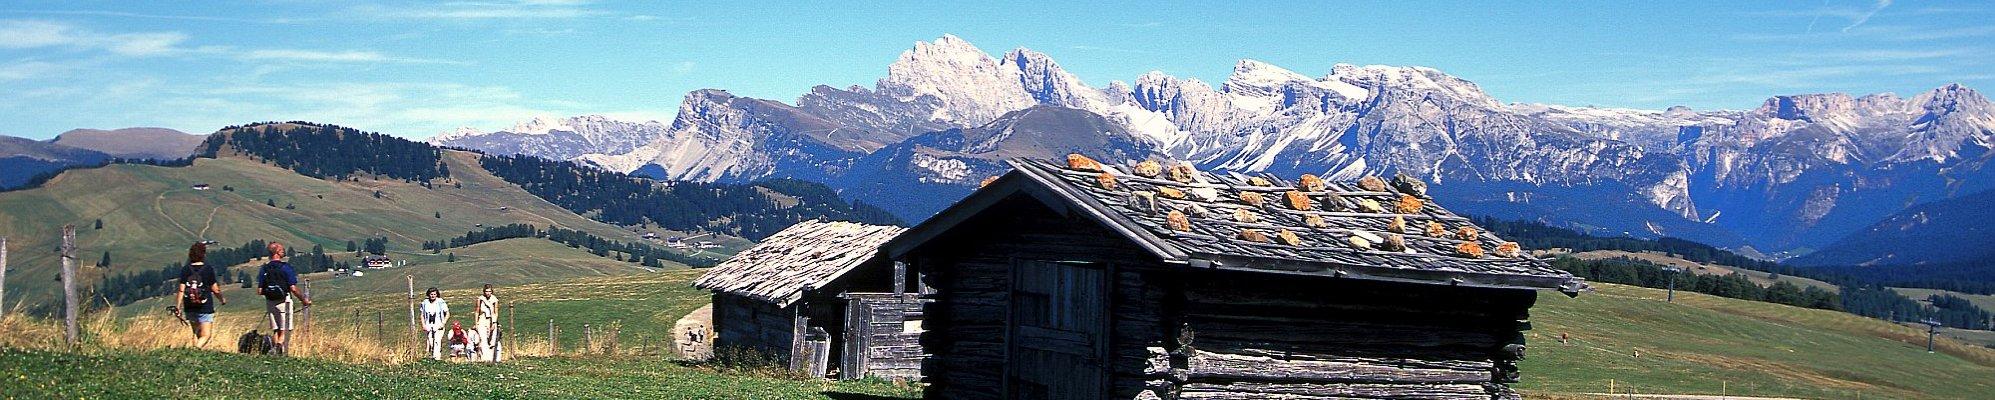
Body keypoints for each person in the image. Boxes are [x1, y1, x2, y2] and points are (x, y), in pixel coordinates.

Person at [257, 242, 311, 356]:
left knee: (276, 329)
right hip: (284, 301)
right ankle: (278, 349)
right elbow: (293, 288)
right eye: (282, 250)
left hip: (270, 301)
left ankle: (276, 353)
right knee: (285, 329)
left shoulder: (264, 269)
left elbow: (259, 291)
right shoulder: (285, 268)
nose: (284, 251)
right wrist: (304, 300)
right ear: (277, 252)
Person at [176, 243, 226, 348]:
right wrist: (222, 299)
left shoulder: (186, 269)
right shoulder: (208, 269)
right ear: (203, 254)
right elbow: (215, 289)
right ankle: (196, 349)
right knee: (206, 334)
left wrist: (178, 306)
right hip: (205, 305)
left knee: (196, 332)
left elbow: (181, 289)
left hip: (189, 304)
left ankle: (194, 354)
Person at [420, 287, 450, 360]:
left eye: (434, 294)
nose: (433, 296)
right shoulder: (425, 303)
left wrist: (443, 323)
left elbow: (447, 313)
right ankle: (431, 355)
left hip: (438, 324)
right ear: (428, 295)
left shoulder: (440, 302)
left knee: (437, 340)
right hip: (429, 324)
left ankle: (437, 358)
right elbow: (422, 314)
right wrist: (423, 324)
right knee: (430, 341)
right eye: (431, 294)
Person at [475, 284, 500, 361]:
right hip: (482, 319)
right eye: (486, 291)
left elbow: (496, 312)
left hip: (492, 320)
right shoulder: (480, 299)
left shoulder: (494, 300)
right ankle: (485, 359)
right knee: (483, 339)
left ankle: (492, 358)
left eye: (489, 291)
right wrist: (476, 322)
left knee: (492, 340)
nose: (488, 293)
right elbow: (477, 311)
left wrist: (494, 322)